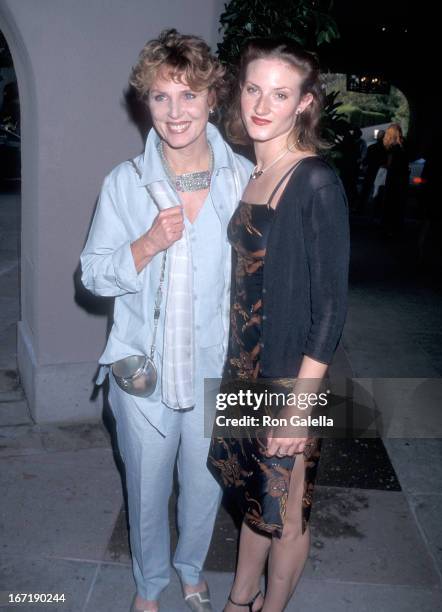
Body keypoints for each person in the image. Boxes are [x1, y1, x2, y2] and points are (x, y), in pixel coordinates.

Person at [80, 29, 252, 612]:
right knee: (148, 491)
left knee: (205, 488)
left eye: (189, 95)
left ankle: (191, 570)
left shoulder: (244, 181)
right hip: (143, 375)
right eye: (160, 97)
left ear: (212, 99)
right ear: (145, 103)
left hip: (217, 373)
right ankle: (150, 586)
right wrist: (147, 243)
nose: (176, 112)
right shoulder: (125, 184)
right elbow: (94, 275)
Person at [208, 38, 350, 612]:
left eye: (281, 93)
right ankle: (240, 597)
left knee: (287, 508)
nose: (263, 105)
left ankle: (269, 607)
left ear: (305, 104)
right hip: (245, 368)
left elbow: (331, 307)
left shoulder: (313, 181)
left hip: (288, 379)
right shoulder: (255, 171)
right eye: (253, 89)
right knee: (253, 495)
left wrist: (298, 405)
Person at [381, 123, 409, 235]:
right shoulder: (404, 145)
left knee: (389, 203)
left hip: (392, 179)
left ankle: (388, 229)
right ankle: (397, 227)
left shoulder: (392, 148)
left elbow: (390, 165)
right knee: (399, 204)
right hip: (403, 178)